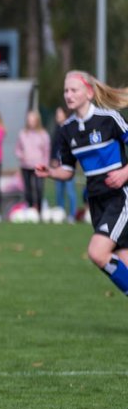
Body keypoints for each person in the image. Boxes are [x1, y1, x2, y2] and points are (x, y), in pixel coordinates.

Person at [35, 70, 128, 297]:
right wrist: (51, 172)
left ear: (88, 92)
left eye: (74, 90)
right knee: (124, 261)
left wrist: (125, 173)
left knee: (97, 252)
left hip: (120, 198)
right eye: (66, 90)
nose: (68, 94)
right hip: (97, 202)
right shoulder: (67, 130)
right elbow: (67, 171)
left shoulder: (109, 119)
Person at [15, 110, 51, 212]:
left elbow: (46, 151)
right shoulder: (22, 133)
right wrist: (22, 156)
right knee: (28, 190)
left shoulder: (43, 134)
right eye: (29, 120)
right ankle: (30, 210)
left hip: (39, 166)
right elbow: (18, 149)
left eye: (33, 120)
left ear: (37, 121)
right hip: (25, 166)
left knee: (39, 189)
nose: (31, 122)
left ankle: (39, 211)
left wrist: (45, 165)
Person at [50, 105, 78, 222]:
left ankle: (72, 214)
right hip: (58, 166)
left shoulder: (71, 128)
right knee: (59, 191)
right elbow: (54, 146)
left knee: (70, 190)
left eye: (59, 113)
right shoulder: (57, 128)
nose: (57, 115)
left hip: (68, 166)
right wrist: (53, 159)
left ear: (65, 114)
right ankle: (60, 213)